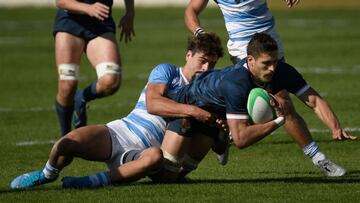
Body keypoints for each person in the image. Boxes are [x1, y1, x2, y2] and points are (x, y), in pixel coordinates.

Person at [10, 33, 224, 189]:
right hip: (119, 132)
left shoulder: (205, 91)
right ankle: (46, 174)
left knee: (154, 157)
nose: (206, 69)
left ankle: (90, 182)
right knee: (66, 143)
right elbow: (153, 104)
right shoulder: (168, 71)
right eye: (202, 61)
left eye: (211, 65)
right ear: (188, 55)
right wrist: (194, 111)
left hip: (142, 154)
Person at [157, 33, 355, 182]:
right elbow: (242, 140)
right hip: (187, 107)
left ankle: (320, 160)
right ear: (250, 61)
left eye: (275, 62)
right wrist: (278, 121)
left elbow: (314, 101)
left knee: (182, 174)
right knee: (166, 176)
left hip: (216, 113)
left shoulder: (281, 71)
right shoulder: (236, 83)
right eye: (266, 64)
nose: (272, 69)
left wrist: (335, 127)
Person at [185, 0, 357, 142]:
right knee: (277, 102)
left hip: (270, 47)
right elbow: (191, 10)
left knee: (281, 102)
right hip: (243, 51)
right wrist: (199, 32)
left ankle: (227, 129)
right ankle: (319, 157)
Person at [54, 0, 135, 136]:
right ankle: (66, 138)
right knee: (67, 86)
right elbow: (61, 1)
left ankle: (81, 97)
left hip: (100, 22)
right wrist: (88, 8)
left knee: (111, 81)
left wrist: (129, 14)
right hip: (70, 22)